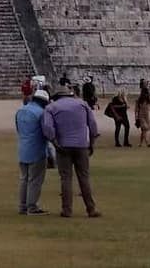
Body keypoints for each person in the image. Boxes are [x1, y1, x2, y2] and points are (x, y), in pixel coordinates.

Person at [41, 85, 101, 218]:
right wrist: (91, 144)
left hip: (63, 146)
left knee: (66, 179)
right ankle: (91, 208)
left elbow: (47, 128)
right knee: (84, 178)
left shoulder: (51, 108)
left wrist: (55, 143)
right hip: (81, 145)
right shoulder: (82, 104)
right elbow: (92, 126)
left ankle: (67, 209)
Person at [16, 90, 50, 215]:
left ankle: (22, 206)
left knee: (24, 179)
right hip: (37, 150)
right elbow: (47, 132)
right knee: (35, 180)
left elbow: (19, 130)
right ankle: (32, 207)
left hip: (23, 149)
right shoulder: (41, 113)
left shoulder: (21, 111)